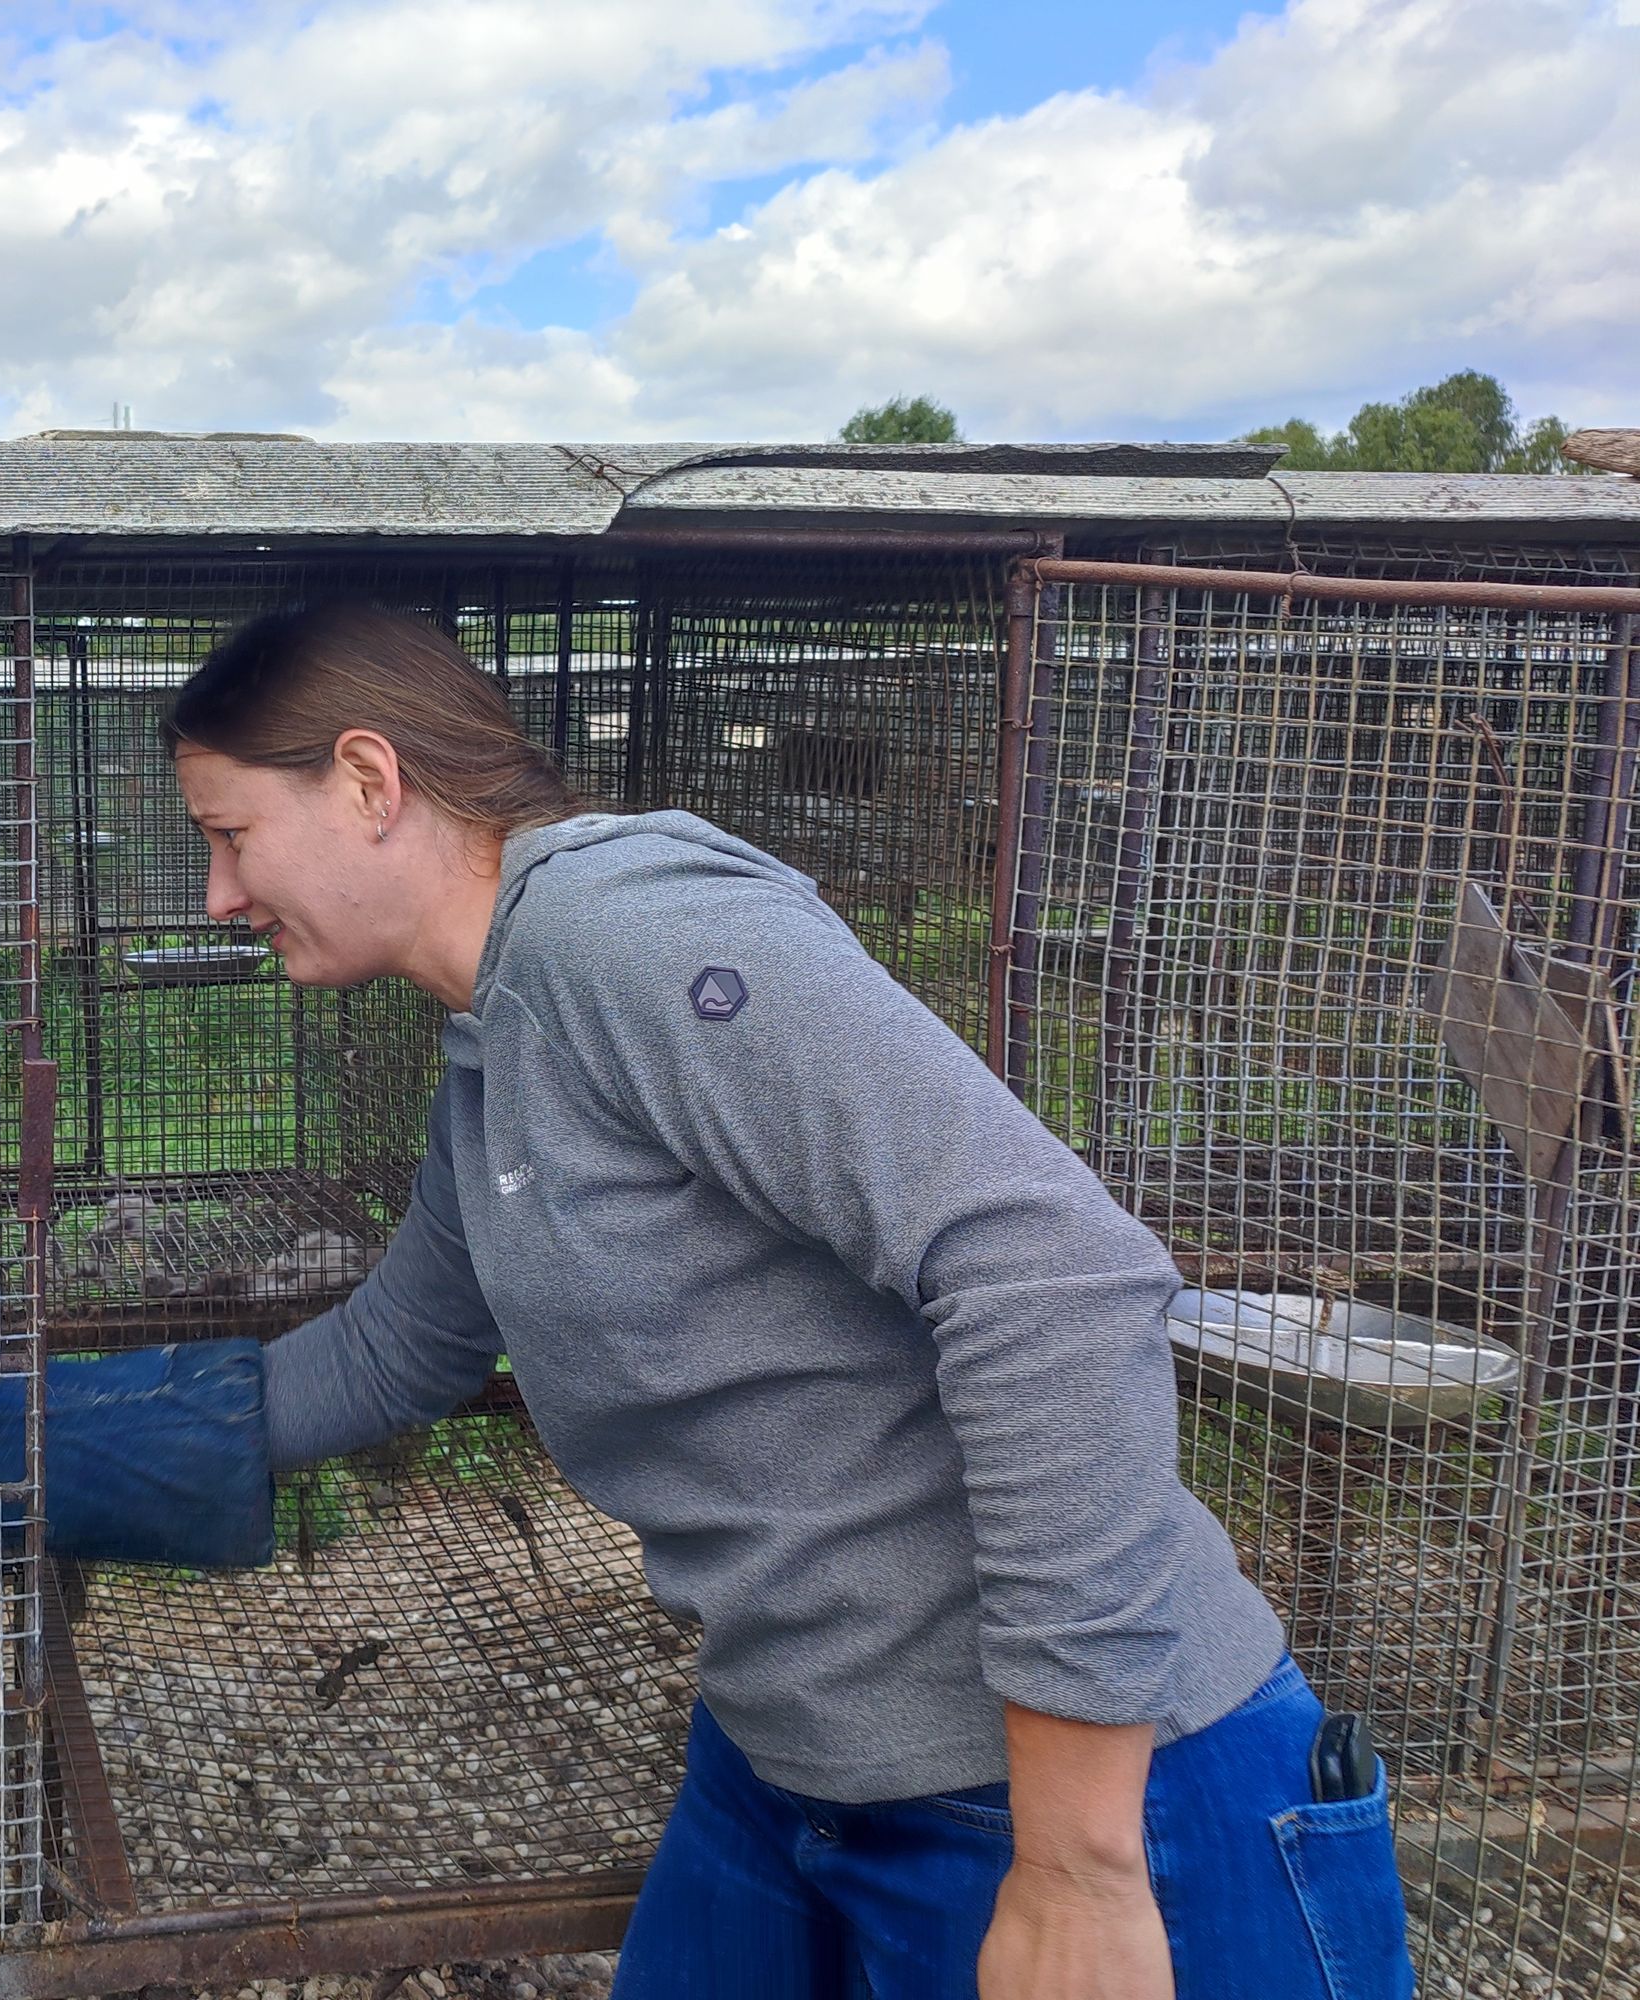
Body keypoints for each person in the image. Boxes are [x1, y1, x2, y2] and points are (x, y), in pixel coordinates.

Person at [160, 603, 1414, 2000]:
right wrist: (9, 1450)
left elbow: (1053, 1273)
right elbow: (403, 1346)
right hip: (793, 1756)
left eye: (229, 835)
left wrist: (1075, 1866)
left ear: (368, 781)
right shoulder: (492, 1033)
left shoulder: (623, 937)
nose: (219, 894)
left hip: (1101, 1789)